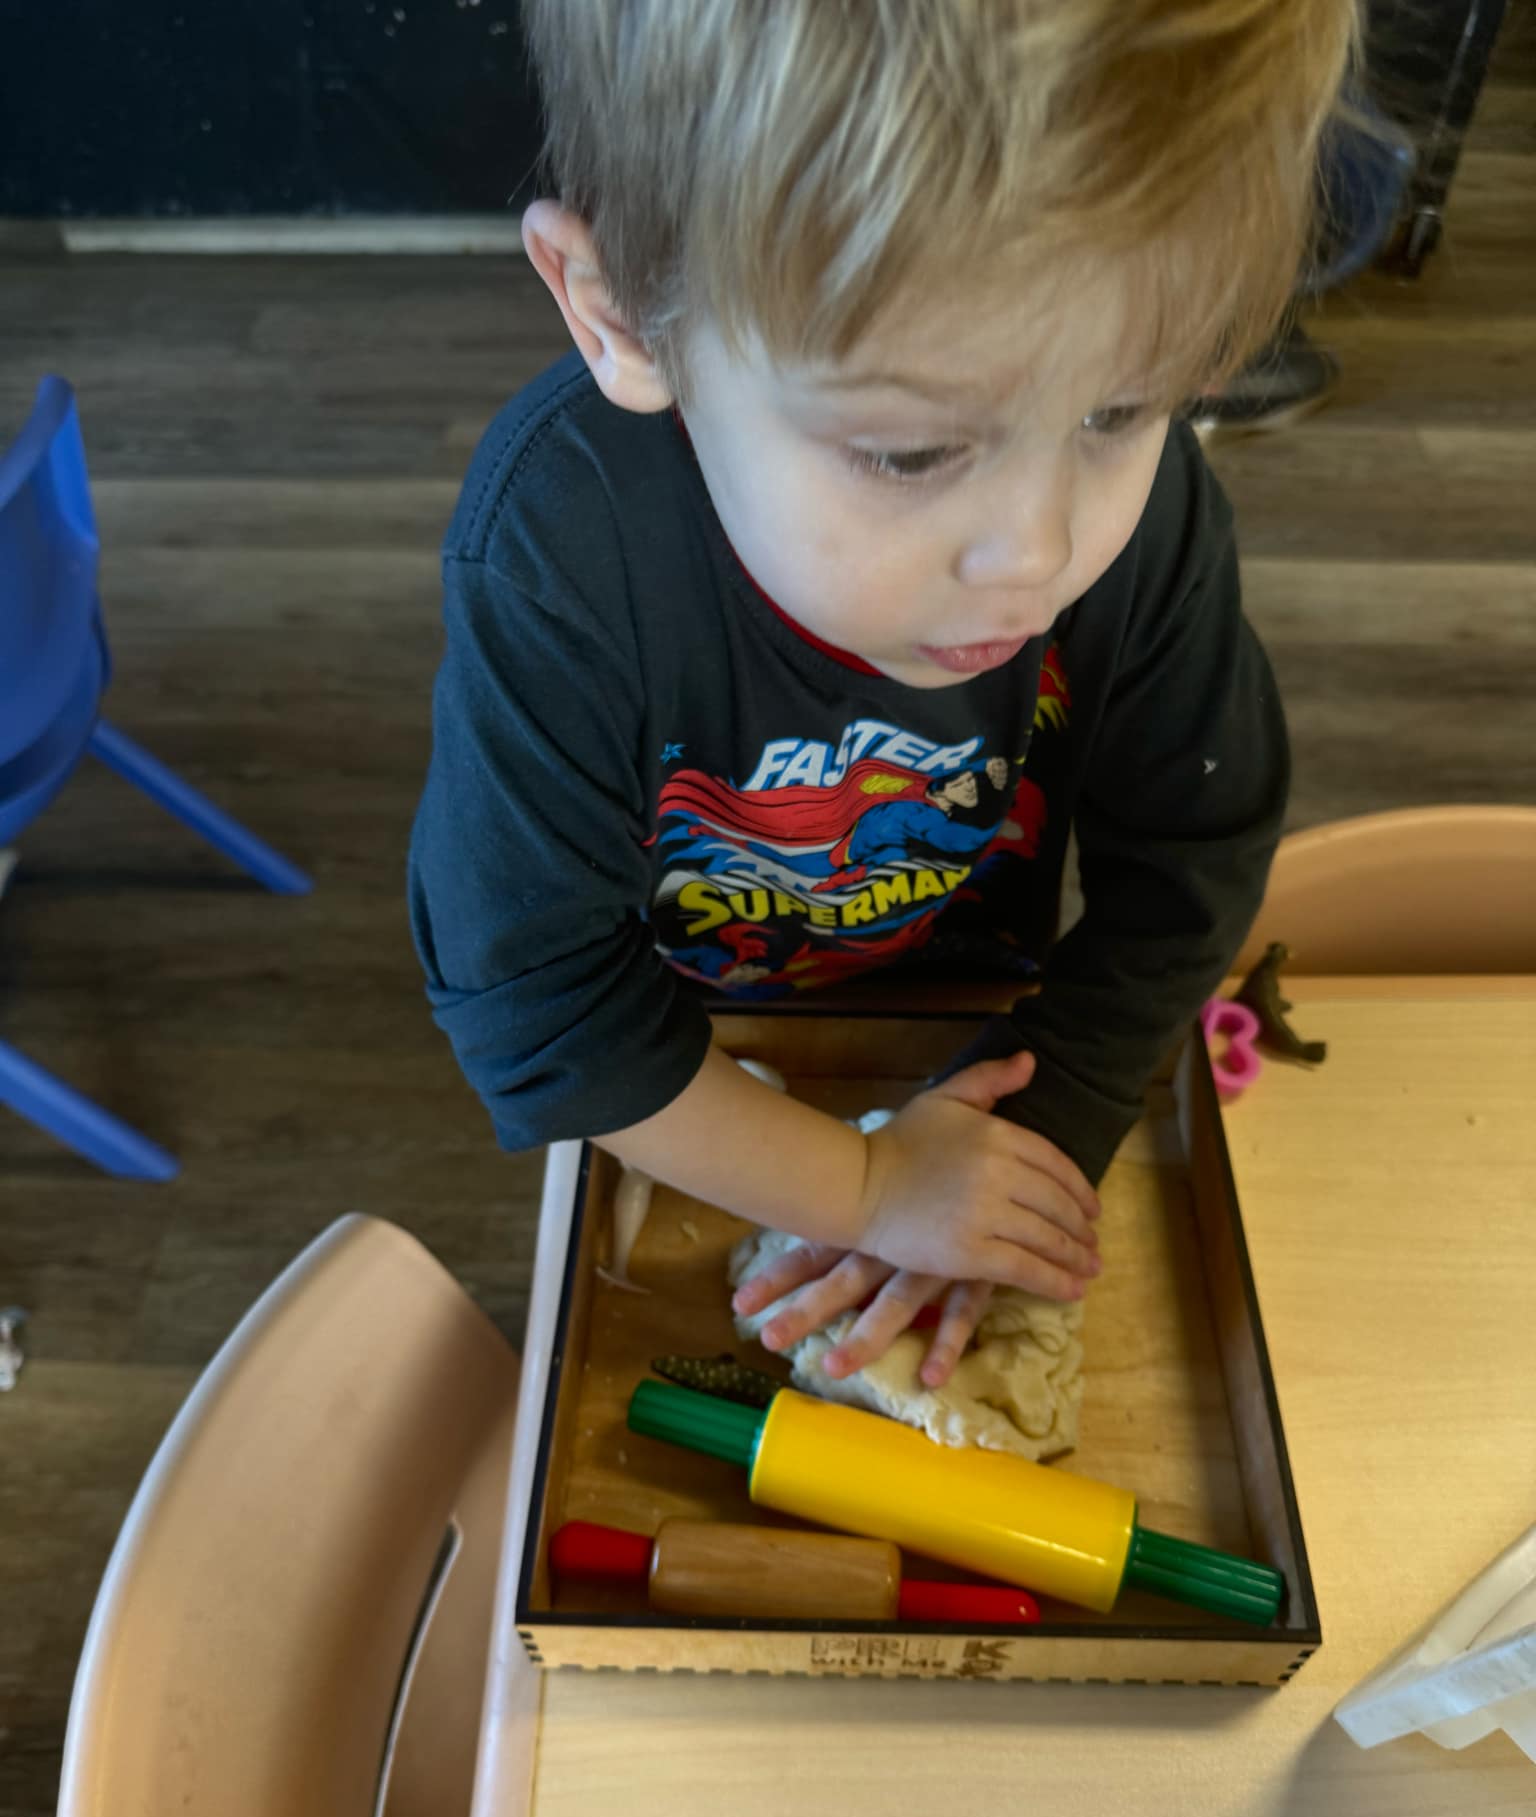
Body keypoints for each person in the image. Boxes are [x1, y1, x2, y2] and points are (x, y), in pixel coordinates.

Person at [410, 0, 1356, 1392]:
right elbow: (542, 1009)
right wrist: (857, 1194)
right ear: (619, 316)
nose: (1038, 558)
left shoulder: (1136, 537)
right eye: (912, 453)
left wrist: (1027, 1139)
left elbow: (1193, 861)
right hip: (681, 1068)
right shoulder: (565, 554)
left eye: (1120, 412)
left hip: (971, 1011)